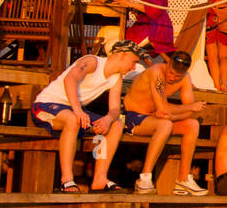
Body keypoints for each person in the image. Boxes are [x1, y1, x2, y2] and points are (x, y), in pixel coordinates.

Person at [30, 39, 147, 193]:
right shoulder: (93, 62)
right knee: (73, 119)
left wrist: (108, 119)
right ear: (123, 55)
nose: (133, 68)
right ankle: (67, 180)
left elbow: (114, 109)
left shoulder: (116, 78)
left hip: (74, 110)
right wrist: (78, 110)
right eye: (133, 62)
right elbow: (70, 79)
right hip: (47, 105)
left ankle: (100, 178)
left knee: (116, 124)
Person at [125, 50, 208, 196]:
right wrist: (181, 110)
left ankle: (183, 180)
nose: (172, 77)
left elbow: (190, 113)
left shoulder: (185, 77)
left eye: (177, 76)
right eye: (171, 73)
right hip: (134, 117)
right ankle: (144, 178)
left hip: (156, 119)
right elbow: (177, 107)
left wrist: (171, 114)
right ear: (168, 64)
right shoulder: (156, 72)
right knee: (166, 125)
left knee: (192, 124)